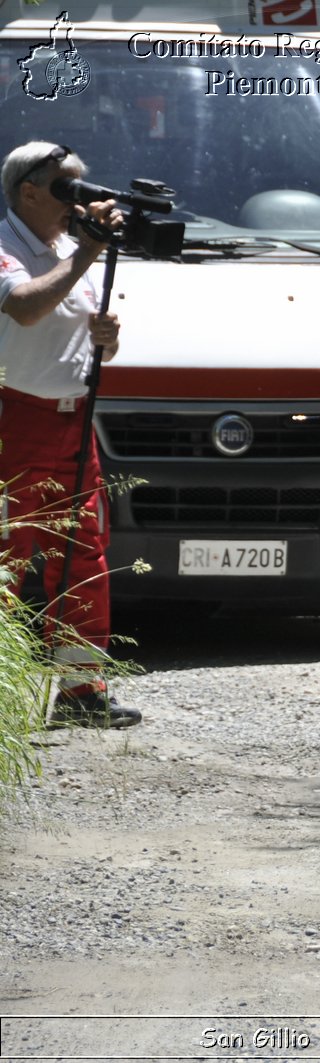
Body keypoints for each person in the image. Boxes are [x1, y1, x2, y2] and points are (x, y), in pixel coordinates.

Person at [0, 142, 138, 727]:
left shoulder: (61, 249)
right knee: (7, 559)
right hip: (13, 419)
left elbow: (68, 331)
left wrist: (104, 337)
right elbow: (26, 308)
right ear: (27, 191)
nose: (74, 199)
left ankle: (83, 691)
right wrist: (85, 255)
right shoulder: (7, 248)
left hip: (72, 420)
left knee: (82, 557)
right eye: (64, 187)